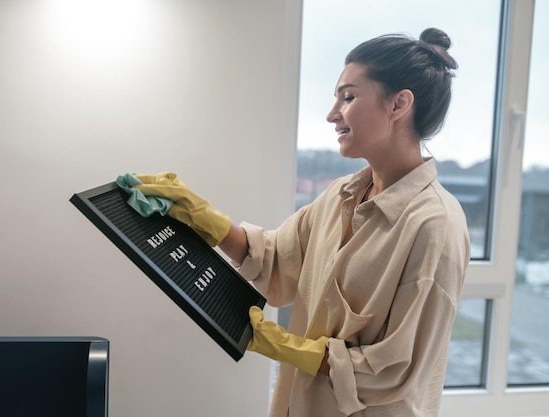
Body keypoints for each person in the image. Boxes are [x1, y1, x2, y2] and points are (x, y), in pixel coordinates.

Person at [130, 27, 470, 417]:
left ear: (398, 104)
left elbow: (398, 371)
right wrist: (195, 212)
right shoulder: (342, 195)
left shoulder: (435, 226)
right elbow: (277, 260)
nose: (332, 114)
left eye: (348, 97)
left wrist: (282, 345)